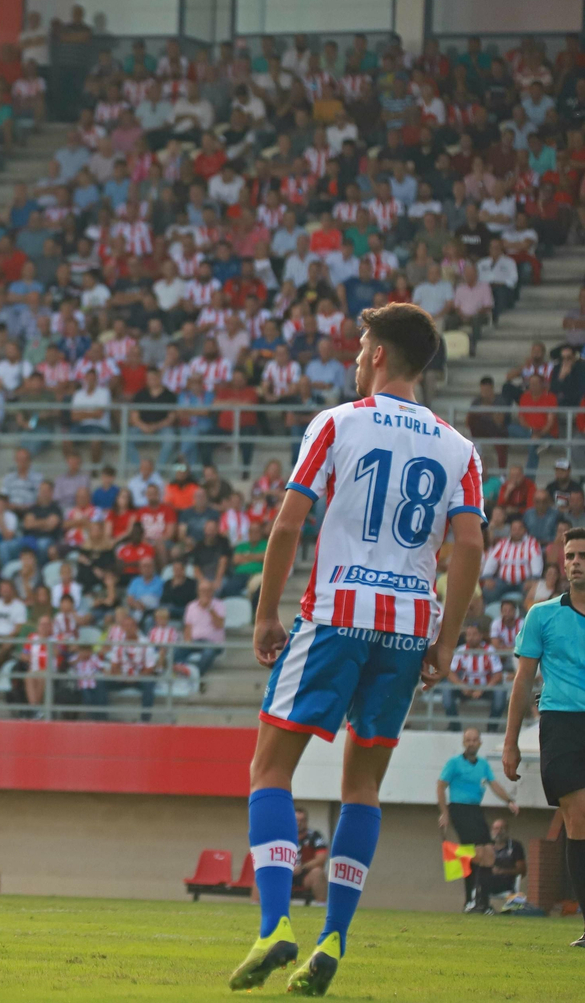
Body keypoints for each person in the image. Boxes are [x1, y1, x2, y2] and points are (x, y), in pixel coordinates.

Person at [231, 303, 485, 993]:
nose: (355, 355)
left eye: (360, 345)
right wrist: (446, 640)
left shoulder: (338, 422)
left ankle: (275, 925)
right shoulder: (459, 447)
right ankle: (334, 938)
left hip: (336, 615)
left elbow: (287, 527)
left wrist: (265, 615)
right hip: (405, 629)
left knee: (269, 770)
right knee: (362, 787)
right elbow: (469, 545)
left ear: (377, 355)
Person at [504, 526, 585, 947]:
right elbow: (522, 681)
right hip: (560, 722)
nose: (575, 563)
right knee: (578, 815)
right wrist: (510, 741)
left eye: (582, 556)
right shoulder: (542, 614)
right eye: (570, 556)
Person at [438, 727, 521, 912]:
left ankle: (482, 902)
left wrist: (509, 801)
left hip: (475, 810)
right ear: (463, 742)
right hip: (459, 810)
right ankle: (470, 901)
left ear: (480, 743)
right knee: (474, 854)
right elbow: (440, 785)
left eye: (474, 740)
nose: (471, 743)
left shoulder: (483, 765)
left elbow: (494, 784)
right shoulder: (454, 763)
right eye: (468, 740)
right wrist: (444, 812)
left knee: (489, 854)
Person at [292, 807, 329, 904]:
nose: (299, 823)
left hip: (305, 875)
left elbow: (321, 858)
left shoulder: (315, 836)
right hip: (285, 874)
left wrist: (302, 867)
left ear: (306, 821)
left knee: (318, 872)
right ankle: (256, 906)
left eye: (302, 820)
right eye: (296, 820)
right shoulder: (282, 835)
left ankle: (321, 907)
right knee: (264, 872)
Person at [486, 818, 526, 902]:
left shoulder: (515, 846)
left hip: (507, 883)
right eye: (496, 828)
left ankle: (512, 909)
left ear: (507, 830)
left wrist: (501, 871)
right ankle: (481, 908)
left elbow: (522, 870)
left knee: (520, 898)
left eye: (501, 828)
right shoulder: (487, 846)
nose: (498, 831)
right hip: (488, 882)